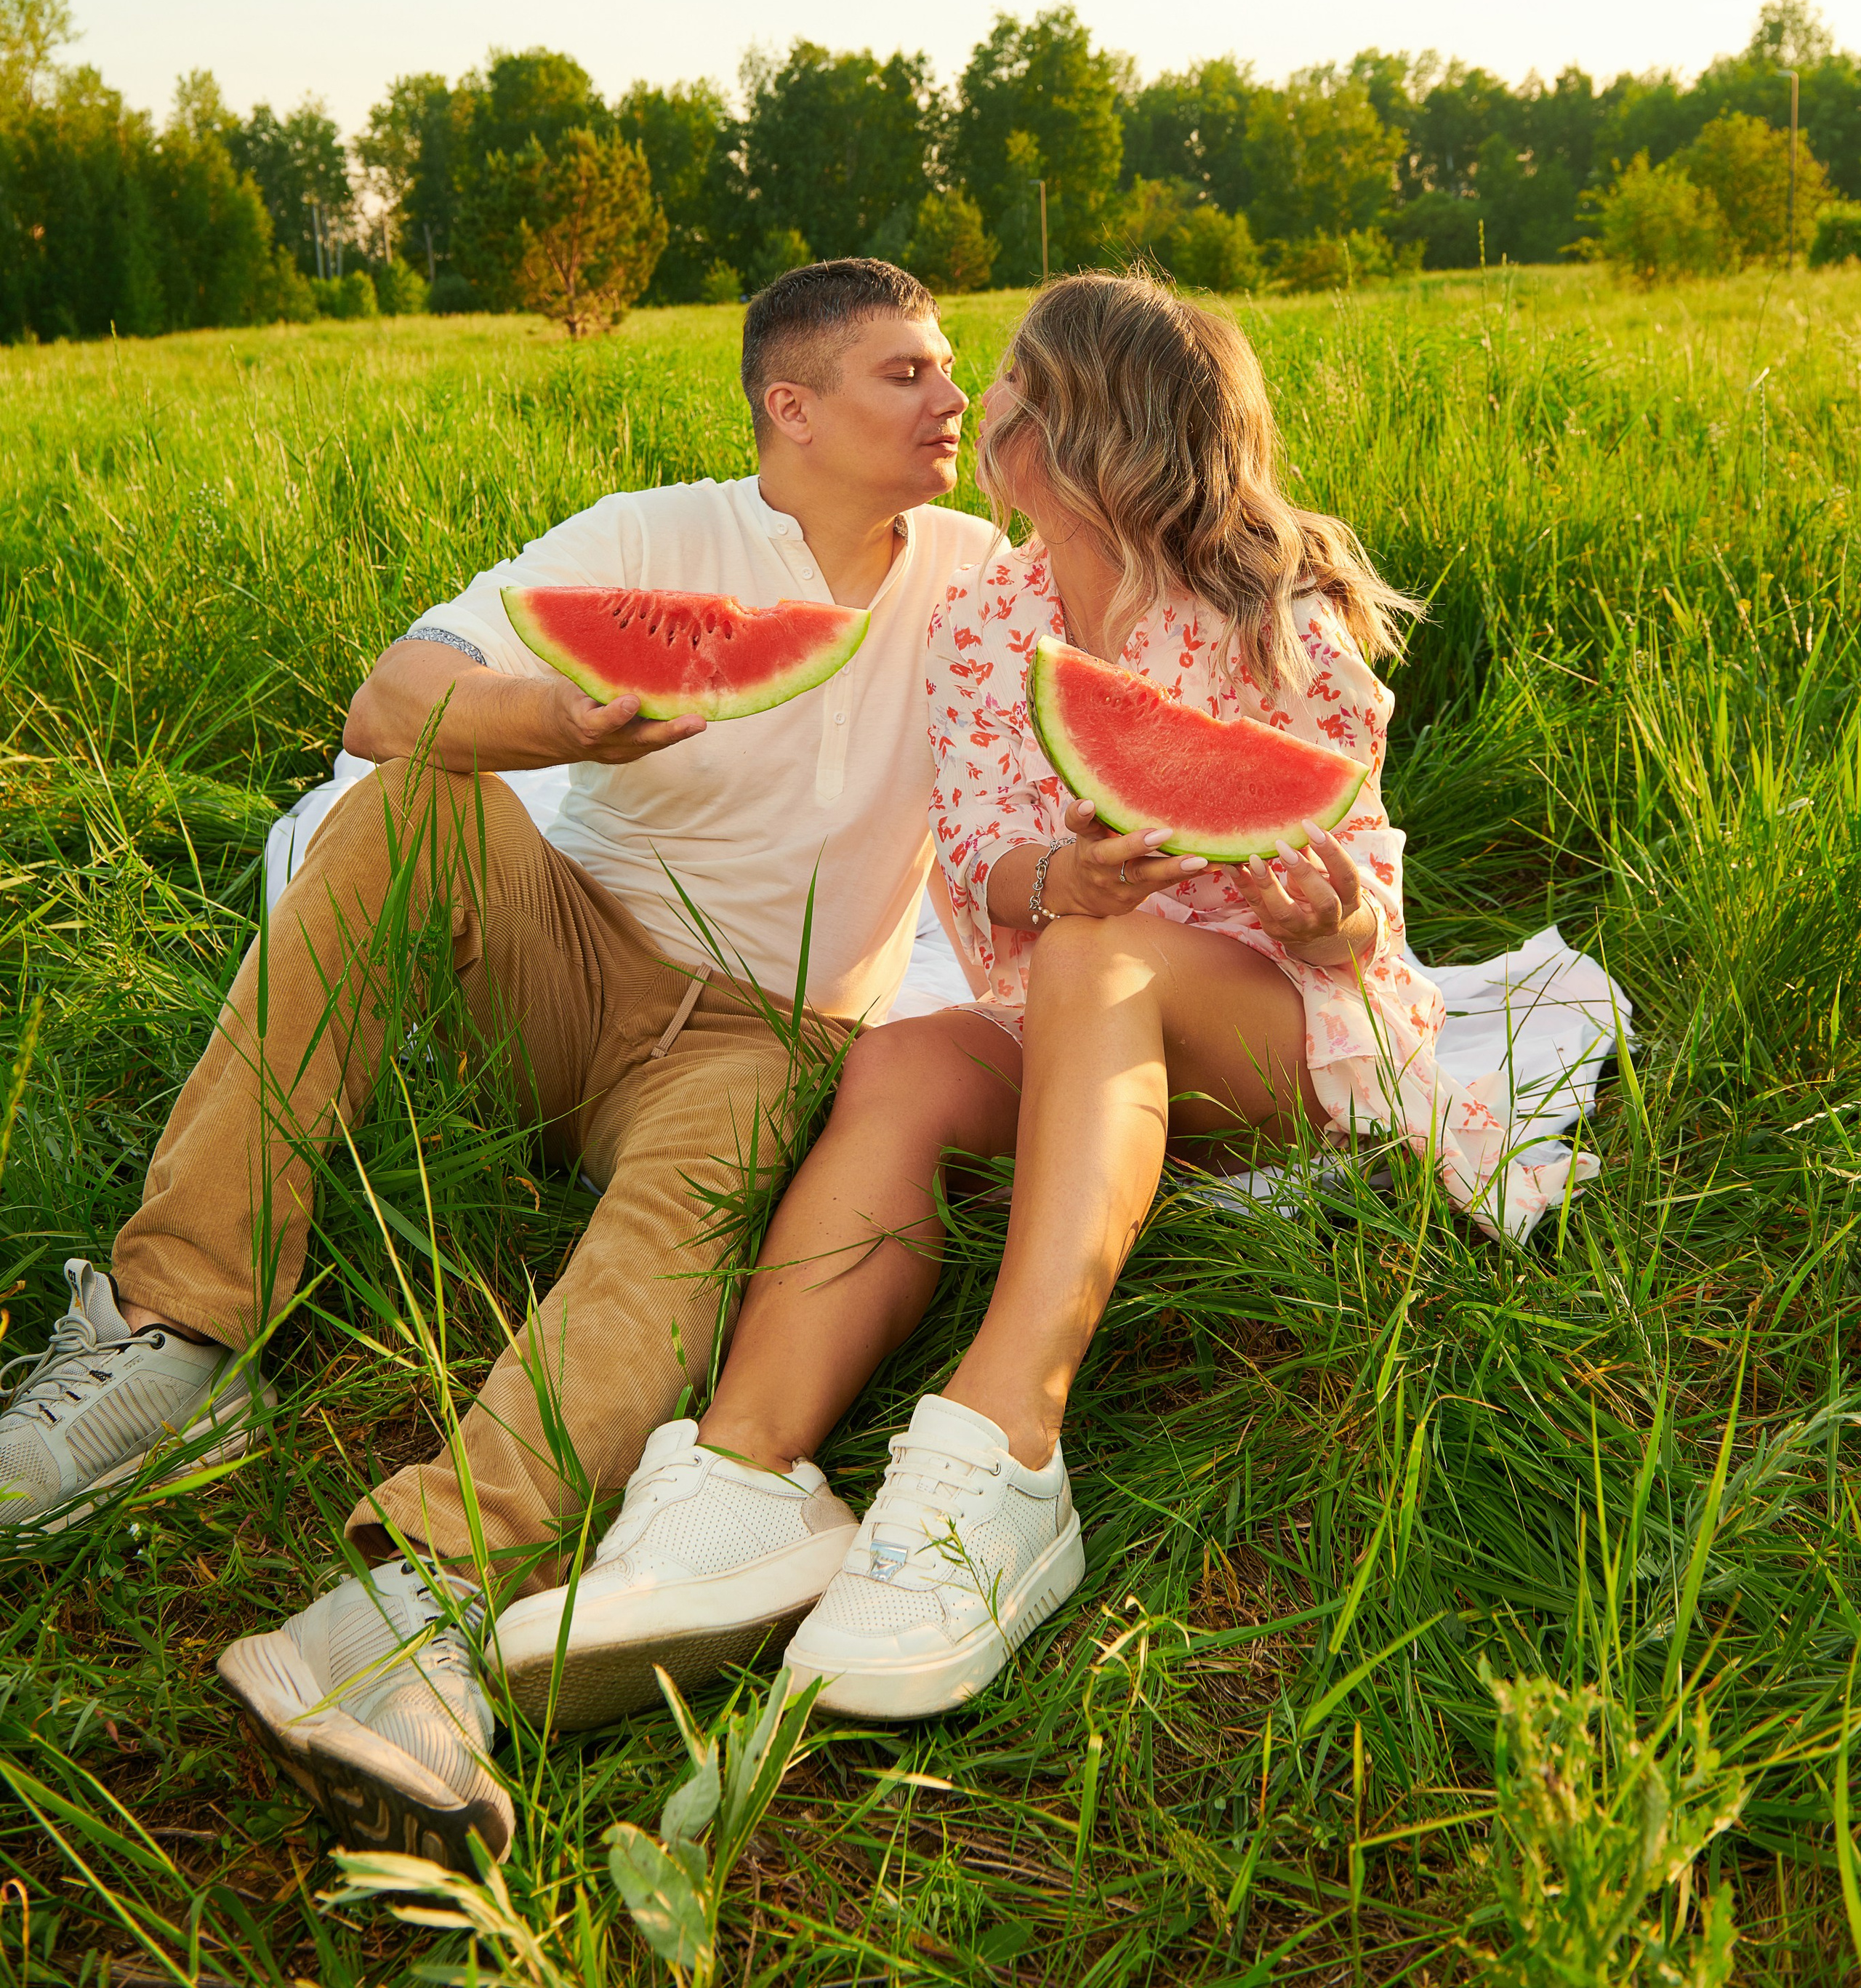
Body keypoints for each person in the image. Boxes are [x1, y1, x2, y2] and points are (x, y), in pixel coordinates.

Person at [0, 258, 992, 1866]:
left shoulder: (975, 577)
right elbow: (389, 701)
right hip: (567, 953)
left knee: (702, 1194)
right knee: (412, 802)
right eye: (908, 374)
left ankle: (427, 1595)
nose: (952, 400)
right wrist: (560, 719)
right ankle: (177, 1336)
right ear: (789, 407)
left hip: (763, 1033)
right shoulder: (643, 533)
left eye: (950, 372)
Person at [511, 270, 1457, 1726]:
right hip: (1064, 1033)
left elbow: (1359, 889)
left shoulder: (1276, 614)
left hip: (1283, 1038)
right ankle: (744, 1477)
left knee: (1097, 957)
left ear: (1074, 430)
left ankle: (1001, 1449)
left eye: (1003, 377)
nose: (971, 400)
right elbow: (979, 861)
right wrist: (1046, 884)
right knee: (899, 1069)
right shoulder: (988, 615)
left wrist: (1327, 915)